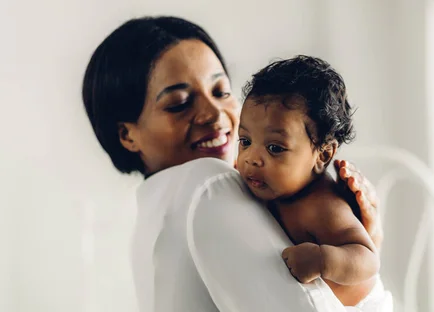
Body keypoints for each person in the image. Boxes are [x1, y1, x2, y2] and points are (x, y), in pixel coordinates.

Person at [82, 16, 386, 312]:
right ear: (127, 135)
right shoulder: (209, 183)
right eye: (179, 103)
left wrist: (350, 256)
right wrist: (364, 279)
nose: (215, 115)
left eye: (221, 92)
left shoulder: (152, 215)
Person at [237, 55, 389, 310]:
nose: (252, 159)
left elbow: (368, 260)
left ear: (323, 154)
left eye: (274, 148)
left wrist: (323, 259)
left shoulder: (323, 205)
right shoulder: (267, 184)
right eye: (245, 141)